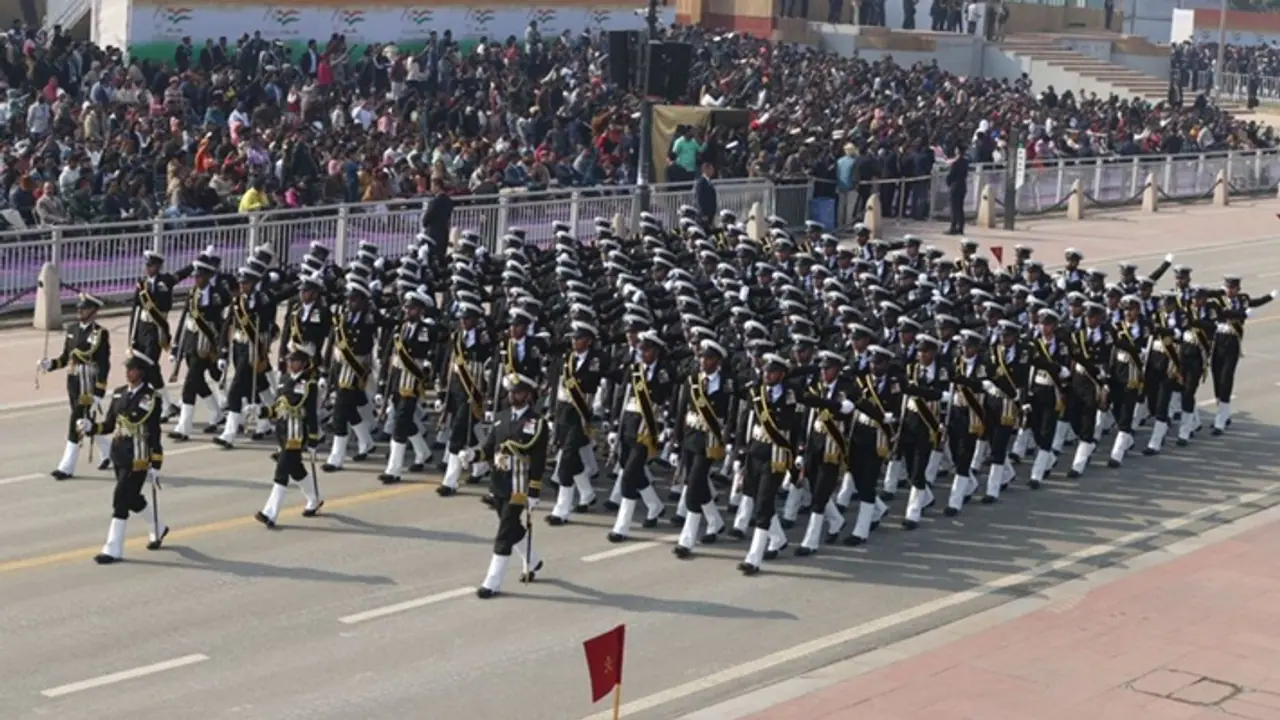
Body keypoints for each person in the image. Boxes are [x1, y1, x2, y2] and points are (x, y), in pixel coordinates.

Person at [76, 352, 167, 564]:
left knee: (120, 499)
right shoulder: (118, 394)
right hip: (118, 452)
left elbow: (154, 430)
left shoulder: (151, 398)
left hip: (138, 455)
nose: (127, 372)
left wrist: (156, 463)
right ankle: (159, 526)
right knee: (131, 497)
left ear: (141, 372)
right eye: (127, 369)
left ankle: (113, 548)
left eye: (132, 369)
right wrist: (91, 428)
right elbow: (109, 425)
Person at [470, 373, 549, 599]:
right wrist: (472, 456)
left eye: (518, 392)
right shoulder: (501, 417)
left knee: (504, 534)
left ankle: (492, 582)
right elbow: (489, 448)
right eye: (511, 392)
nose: (512, 396)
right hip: (499, 482)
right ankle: (533, 561)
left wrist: (533, 491)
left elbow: (538, 459)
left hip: (519, 486)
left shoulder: (537, 423)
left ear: (527, 395)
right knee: (513, 528)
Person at [41, 292, 111, 479]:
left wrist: (99, 390)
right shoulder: (72, 329)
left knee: (76, 421)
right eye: (79, 308)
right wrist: (51, 364)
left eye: (84, 308)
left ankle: (67, 467)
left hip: (88, 381)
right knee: (84, 421)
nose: (80, 310)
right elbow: (66, 357)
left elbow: (104, 363)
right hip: (73, 381)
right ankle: (109, 452)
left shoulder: (100, 333)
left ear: (94, 311)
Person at [254, 349, 323, 528]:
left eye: (295, 361)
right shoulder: (285, 380)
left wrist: (314, 439)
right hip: (283, 432)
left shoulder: (309, 384)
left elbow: (312, 415)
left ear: (303, 363)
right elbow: (278, 407)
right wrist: (261, 412)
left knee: (281, 472)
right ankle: (314, 499)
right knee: (296, 470)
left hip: (296, 434)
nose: (290, 364)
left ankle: (270, 513)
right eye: (289, 360)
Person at [945, 146, 969, 235]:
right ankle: (961, 227)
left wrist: (948, 182)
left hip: (955, 186)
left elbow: (951, 175)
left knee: (954, 208)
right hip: (963, 185)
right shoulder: (965, 162)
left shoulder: (955, 163)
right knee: (960, 208)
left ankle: (953, 227)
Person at [695, 162, 718, 229]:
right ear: (706, 170)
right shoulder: (701, 183)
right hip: (705, 214)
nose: (713, 171)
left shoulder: (709, 181)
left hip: (710, 213)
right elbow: (700, 199)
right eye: (711, 169)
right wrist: (703, 214)